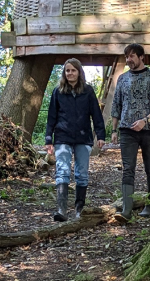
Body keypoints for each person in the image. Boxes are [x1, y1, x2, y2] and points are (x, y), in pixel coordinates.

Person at [110, 43, 150, 222]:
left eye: (132, 56)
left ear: (142, 57)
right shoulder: (123, 79)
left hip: (149, 130)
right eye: (127, 56)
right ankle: (126, 210)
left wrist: (145, 121)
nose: (129, 60)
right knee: (128, 169)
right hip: (127, 131)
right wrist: (113, 129)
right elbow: (116, 105)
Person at [45, 58, 106, 222]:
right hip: (63, 136)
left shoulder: (88, 91)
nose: (70, 73)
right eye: (67, 70)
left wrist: (100, 135)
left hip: (83, 136)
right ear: (64, 73)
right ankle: (61, 209)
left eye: (73, 70)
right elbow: (51, 116)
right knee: (62, 171)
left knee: (82, 174)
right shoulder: (58, 91)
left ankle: (79, 209)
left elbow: (96, 115)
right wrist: (48, 139)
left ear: (79, 72)